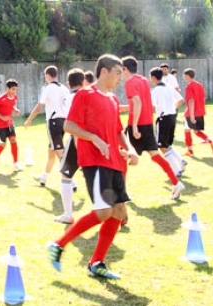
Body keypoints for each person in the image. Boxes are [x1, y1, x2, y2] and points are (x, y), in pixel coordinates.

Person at [48, 54, 138, 280]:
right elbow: (69, 125)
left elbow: (117, 130)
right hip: (94, 161)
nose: (121, 78)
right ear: (104, 71)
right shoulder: (84, 95)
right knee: (103, 210)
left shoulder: (113, 100)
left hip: (115, 161)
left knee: (117, 212)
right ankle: (58, 245)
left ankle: (97, 262)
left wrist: (130, 148)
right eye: (118, 73)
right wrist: (94, 138)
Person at [121, 56, 184, 200]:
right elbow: (145, 102)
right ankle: (176, 182)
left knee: (122, 155)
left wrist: (135, 126)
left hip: (136, 124)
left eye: (121, 69)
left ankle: (122, 193)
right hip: (148, 124)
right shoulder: (143, 80)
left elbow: (137, 103)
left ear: (125, 69)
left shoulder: (129, 82)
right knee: (156, 156)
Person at [24, 65, 70, 185]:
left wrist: (29, 119)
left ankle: (71, 181)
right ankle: (44, 177)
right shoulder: (64, 88)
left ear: (47, 75)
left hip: (53, 122)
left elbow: (39, 107)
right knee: (51, 151)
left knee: (60, 153)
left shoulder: (47, 88)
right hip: (63, 121)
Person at [54, 68, 85, 224]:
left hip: (78, 139)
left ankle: (68, 214)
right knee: (98, 177)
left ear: (68, 83)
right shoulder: (90, 95)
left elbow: (71, 123)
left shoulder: (70, 99)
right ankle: (115, 209)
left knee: (66, 175)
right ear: (83, 81)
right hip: (95, 139)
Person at [149, 67, 187, 176]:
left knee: (161, 146)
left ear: (153, 77)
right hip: (172, 117)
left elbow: (151, 106)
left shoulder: (156, 90)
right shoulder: (169, 87)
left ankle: (176, 169)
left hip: (163, 118)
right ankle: (180, 160)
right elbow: (181, 100)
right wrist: (173, 109)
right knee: (167, 144)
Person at [181, 68, 213, 156]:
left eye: (184, 76)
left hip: (191, 113)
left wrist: (192, 115)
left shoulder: (189, 86)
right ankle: (211, 141)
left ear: (187, 76)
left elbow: (191, 100)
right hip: (200, 112)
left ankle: (190, 151)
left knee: (187, 130)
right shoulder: (200, 85)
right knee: (196, 131)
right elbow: (203, 98)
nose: (183, 77)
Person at [0, 78, 22, 172]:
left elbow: (10, 105)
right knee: (3, 144)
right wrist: (2, 117)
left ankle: (16, 162)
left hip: (9, 123)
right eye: (13, 89)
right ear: (7, 88)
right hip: (0, 125)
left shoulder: (15, 97)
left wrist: (15, 109)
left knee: (13, 140)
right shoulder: (0, 99)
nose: (14, 91)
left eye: (16, 89)